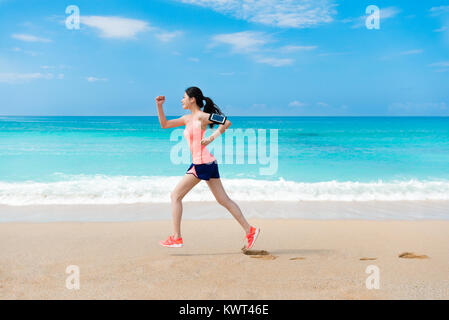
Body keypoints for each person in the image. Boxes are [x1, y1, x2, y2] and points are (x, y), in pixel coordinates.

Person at [155, 86, 260, 249]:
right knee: (223, 200)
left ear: (192, 99)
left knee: (175, 196)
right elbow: (164, 124)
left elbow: (227, 122)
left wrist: (212, 137)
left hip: (202, 163)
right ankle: (250, 230)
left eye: (184, 97)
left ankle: (176, 237)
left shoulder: (203, 117)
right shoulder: (186, 118)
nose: (181, 100)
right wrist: (159, 106)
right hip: (206, 162)